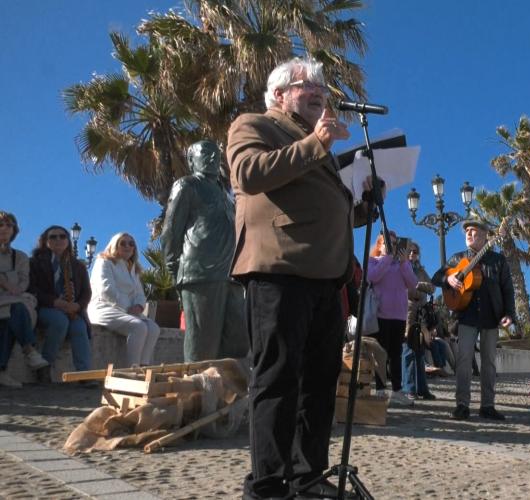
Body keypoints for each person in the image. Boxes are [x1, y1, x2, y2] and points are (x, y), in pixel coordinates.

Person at [226, 56, 374, 499]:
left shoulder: (316, 144)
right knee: (277, 379)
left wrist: (365, 203)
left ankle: (308, 476)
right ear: (279, 94)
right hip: (279, 270)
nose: (319, 92)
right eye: (306, 85)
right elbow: (249, 175)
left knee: (320, 383)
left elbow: (327, 210)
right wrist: (317, 143)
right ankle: (268, 484)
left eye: (322, 88)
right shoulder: (255, 125)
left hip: (326, 278)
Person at [161, 140, 248, 362]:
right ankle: (196, 394)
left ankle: (223, 394)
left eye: (216, 154)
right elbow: (171, 231)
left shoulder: (226, 194)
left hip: (231, 276)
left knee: (238, 341)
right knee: (203, 346)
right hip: (200, 274)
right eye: (205, 153)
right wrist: (174, 271)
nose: (212, 157)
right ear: (191, 161)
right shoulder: (187, 185)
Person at [433, 217, 514, 421]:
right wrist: (448, 279)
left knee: (489, 363)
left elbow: (508, 289)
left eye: (474, 230)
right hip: (466, 317)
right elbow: (436, 277)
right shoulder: (457, 258)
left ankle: (488, 405)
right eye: (467, 231)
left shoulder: (498, 260)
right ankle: (462, 404)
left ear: (486, 236)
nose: (469, 234)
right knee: (463, 361)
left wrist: (509, 314)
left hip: (490, 317)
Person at [87, 233, 161, 367]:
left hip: (128, 311)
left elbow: (140, 294)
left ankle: (144, 366)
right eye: (123, 243)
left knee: (154, 328)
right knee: (138, 327)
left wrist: (139, 306)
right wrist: (128, 308)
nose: (128, 246)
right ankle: (133, 370)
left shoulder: (133, 267)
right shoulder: (104, 261)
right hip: (103, 308)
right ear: (114, 245)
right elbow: (107, 290)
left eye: (131, 244)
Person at [28, 225, 92, 378]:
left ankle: (83, 374)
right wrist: (55, 302)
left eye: (62, 236)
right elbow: (31, 288)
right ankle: (44, 367)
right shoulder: (34, 263)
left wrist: (77, 305)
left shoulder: (78, 266)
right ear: (45, 241)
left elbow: (86, 292)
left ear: (68, 241)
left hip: (72, 310)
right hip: (45, 308)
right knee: (59, 321)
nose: (58, 239)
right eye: (53, 236)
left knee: (79, 327)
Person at [367, 231, 417, 405]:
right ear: (379, 245)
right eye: (387, 243)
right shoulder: (373, 261)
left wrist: (404, 263)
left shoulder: (402, 264)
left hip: (399, 315)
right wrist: (387, 258)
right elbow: (373, 277)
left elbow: (412, 283)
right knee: (381, 354)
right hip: (380, 314)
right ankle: (380, 389)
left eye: (394, 244)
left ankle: (397, 390)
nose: (391, 247)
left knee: (396, 354)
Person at [0, 211, 49, 388]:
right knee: (15, 310)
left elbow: (23, 281)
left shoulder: (19, 256)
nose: (4, 229)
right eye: (1, 225)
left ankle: (1, 371)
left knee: (10, 316)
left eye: (8, 225)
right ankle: (30, 350)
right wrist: (6, 282)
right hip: (11, 300)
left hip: (12, 300)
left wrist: (9, 286)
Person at [402, 240, 437, 400]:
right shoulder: (401, 267)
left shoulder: (421, 270)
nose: (412, 254)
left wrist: (416, 284)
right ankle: (409, 388)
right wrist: (418, 285)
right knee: (408, 351)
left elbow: (432, 287)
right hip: (407, 311)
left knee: (420, 352)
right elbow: (404, 286)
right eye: (409, 251)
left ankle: (422, 388)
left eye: (415, 251)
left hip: (421, 313)